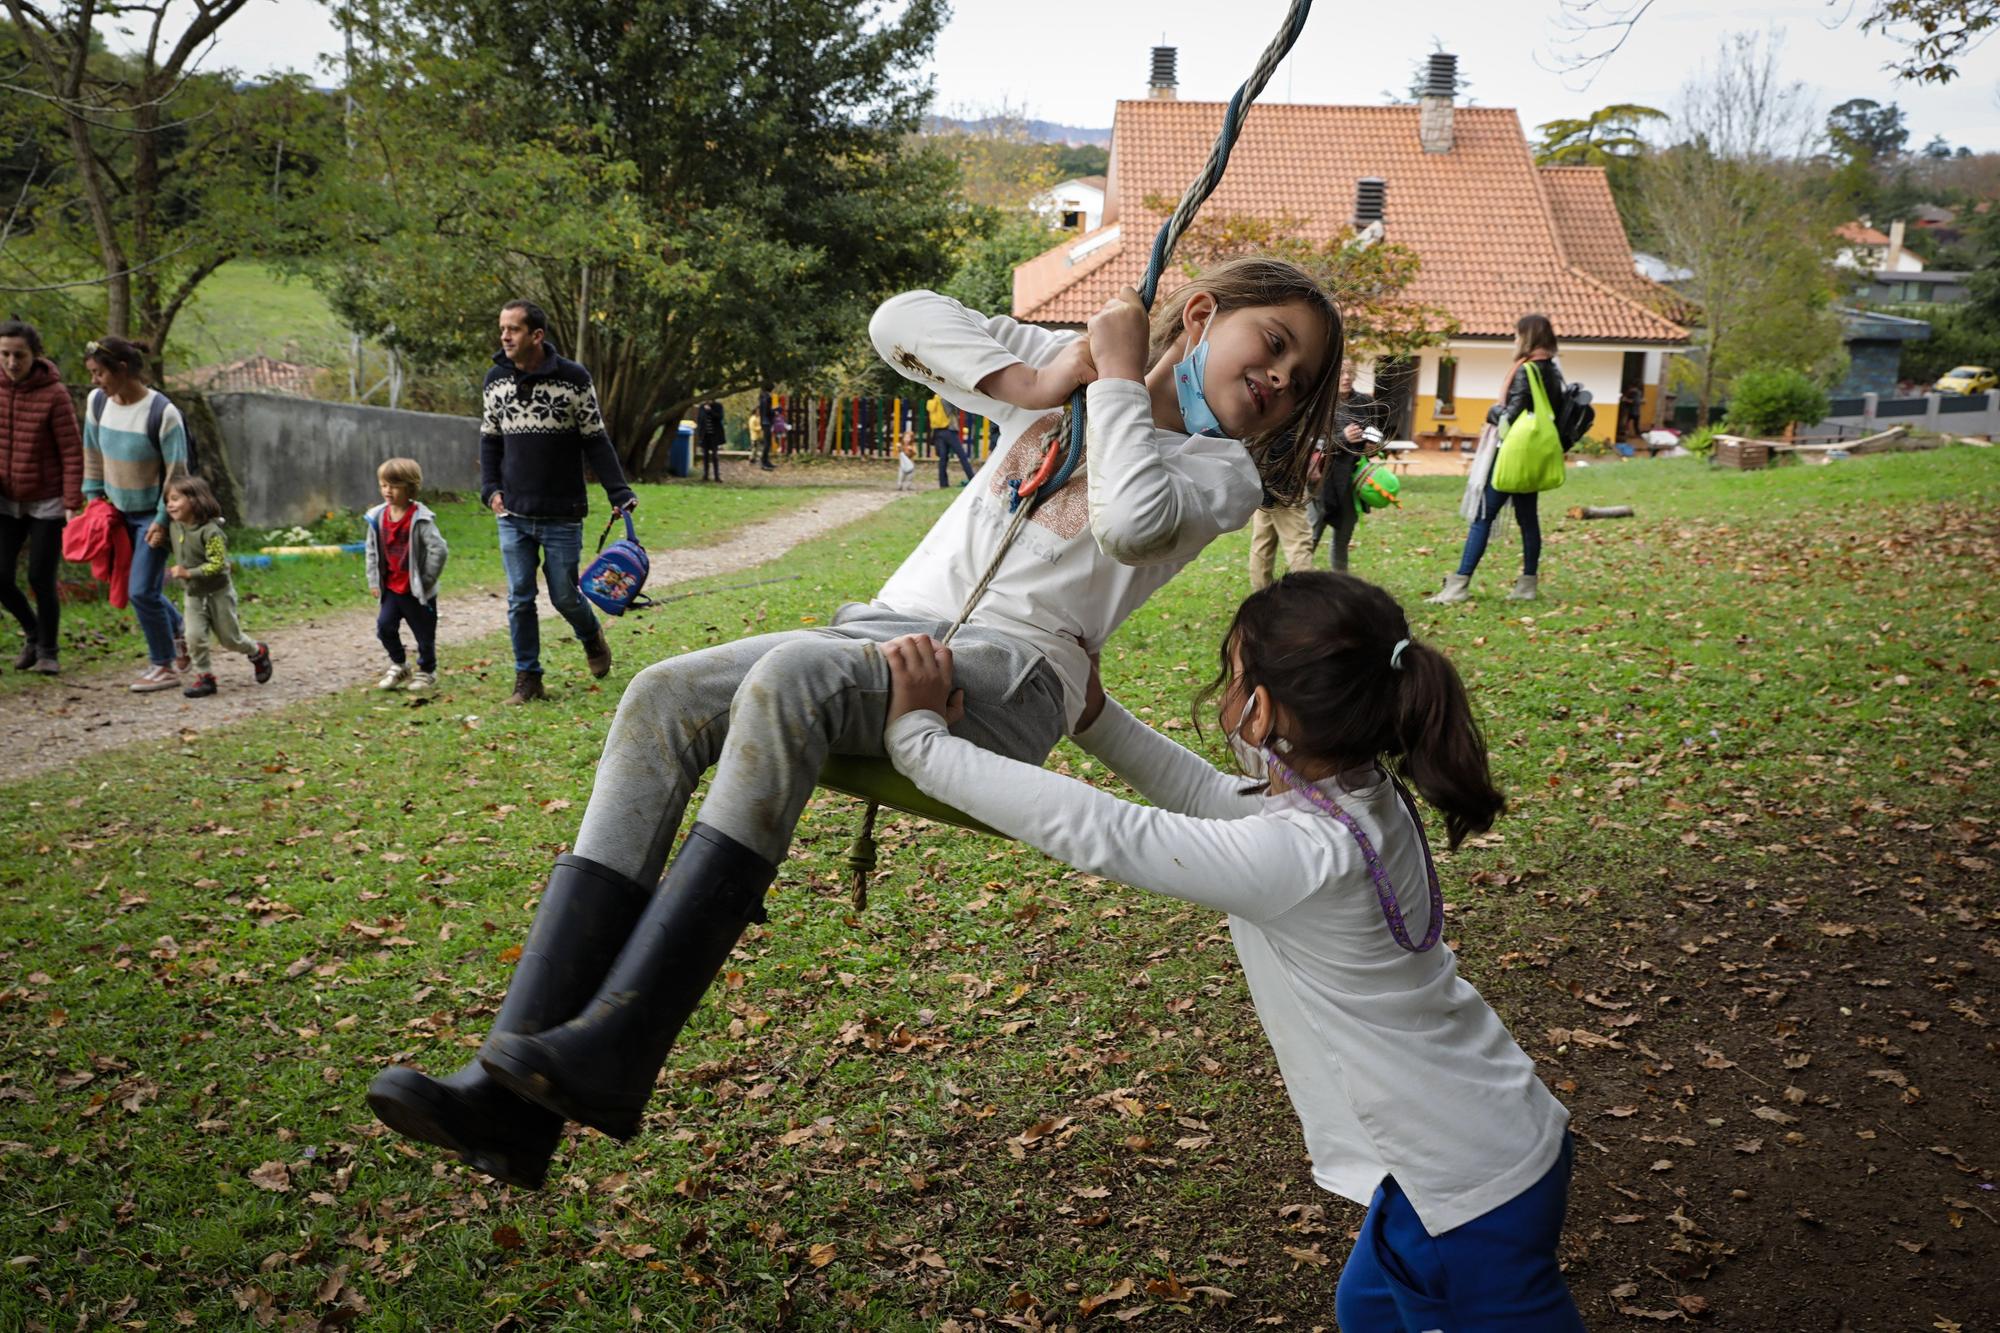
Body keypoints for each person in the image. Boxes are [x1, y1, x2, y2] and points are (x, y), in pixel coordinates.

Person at [366, 255, 1344, 1190]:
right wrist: (1048, 372)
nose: (1277, 377)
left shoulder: (1219, 473)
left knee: (794, 675)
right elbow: (896, 322)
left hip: (1008, 678)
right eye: (1271, 342)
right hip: (888, 630)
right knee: (659, 692)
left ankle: (618, 1046)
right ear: (1206, 315)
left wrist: (1120, 378)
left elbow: (1130, 519)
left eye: (1297, 379)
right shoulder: (1070, 370)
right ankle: (512, 1093)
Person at [878, 571, 1580, 1331]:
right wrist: (1098, 718)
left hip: (1463, 1191)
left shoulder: (1306, 853)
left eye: (1234, 674)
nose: (1224, 687)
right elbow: (1219, 799)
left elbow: (1107, 833)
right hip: (1482, 1135)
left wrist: (919, 743)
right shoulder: (1359, 794)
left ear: (1265, 710)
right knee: (1368, 1308)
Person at [481, 299, 636, 704]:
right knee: (519, 597)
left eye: (513, 329)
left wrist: (619, 493)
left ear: (536, 335)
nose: (504, 336)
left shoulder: (573, 379)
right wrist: (490, 489)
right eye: (502, 328)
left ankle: (591, 636)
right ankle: (528, 679)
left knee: (565, 594)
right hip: (512, 511)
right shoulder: (495, 380)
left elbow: (595, 440)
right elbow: (489, 441)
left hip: (562, 513)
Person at [80, 335, 192, 692]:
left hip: (153, 514)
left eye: (100, 373)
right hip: (115, 512)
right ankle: (180, 632)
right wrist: (93, 500)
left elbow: (177, 475)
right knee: (136, 588)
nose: (95, 381)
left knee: (141, 591)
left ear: (122, 370)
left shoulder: (163, 413)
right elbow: (92, 454)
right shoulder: (97, 403)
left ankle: (164, 665)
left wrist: (161, 521)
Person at [1429, 315, 1562, 604]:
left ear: (1527, 337)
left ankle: (1458, 585)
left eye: (1517, 334)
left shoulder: (1526, 370)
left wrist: (1492, 412)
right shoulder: (1552, 369)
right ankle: (1528, 583)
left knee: (1482, 516)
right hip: (1533, 455)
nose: (1514, 339)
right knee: (1528, 519)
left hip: (1510, 456)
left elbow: (1509, 415)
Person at [0, 319, 83, 674]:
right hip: (5, 498)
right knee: (0, 576)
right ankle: (33, 632)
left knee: (39, 576)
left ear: (35, 355)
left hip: (46, 500)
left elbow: (71, 451)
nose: (11, 362)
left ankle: (48, 650)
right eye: (4, 354)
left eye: (19, 355)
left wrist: (71, 503)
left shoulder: (55, 394)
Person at [163, 475, 271, 698]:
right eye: (167, 500)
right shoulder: (175, 527)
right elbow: (181, 549)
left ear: (195, 501)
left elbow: (219, 565)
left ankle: (257, 651)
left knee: (230, 639)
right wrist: (160, 541)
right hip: (193, 594)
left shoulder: (211, 532)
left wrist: (188, 573)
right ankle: (205, 677)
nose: (170, 504)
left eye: (175, 499)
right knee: (193, 636)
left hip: (218, 592)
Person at [366, 457, 449, 693]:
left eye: (394, 486)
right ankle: (400, 664)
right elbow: (371, 551)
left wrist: (426, 580)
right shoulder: (377, 517)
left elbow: (439, 549)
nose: (387, 491)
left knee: (424, 634)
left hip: (416, 591)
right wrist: (374, 580)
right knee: (384, 627)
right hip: (391, 587)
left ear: (409, 487)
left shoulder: (420, 518)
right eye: (383, 485)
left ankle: (427, 671)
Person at [1315, 360, 1380, 572]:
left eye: (1349, 373)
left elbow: (1374, 434)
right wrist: (1343, 438)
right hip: (1320, 481)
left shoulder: (1365, 402)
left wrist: (1372, 445)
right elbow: (1311, 445)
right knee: (1311, 536)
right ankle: (1298, 584)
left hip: (1350, 480)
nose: (1345, 378)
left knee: (1343, 537)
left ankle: (1340, 583)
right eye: (1341, 373)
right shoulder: (1320, 402)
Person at [927, 392, 975, 487]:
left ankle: (943, 484)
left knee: (943, 459)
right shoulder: (946, 399)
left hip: (938, 432)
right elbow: (955, 410)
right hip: (950, 431)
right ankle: (972, 479)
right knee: (962, 456)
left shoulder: (933, 401)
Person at [694, 399, 725, 483]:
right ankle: (705, 475)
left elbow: (720, 417)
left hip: (714, 435)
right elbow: (700, 420)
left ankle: (716, 476)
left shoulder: (718, 406)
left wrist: (710, 411)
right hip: (705, 435)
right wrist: (700, 436)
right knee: (705, 456)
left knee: (715, 456)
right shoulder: (701, 407)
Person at [755, 385, 777, 471]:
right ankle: (764, 461)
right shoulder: (768, 398)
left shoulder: (762, 397)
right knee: (767, 443)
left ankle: (766, 460)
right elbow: (768, 411)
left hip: (764, 421)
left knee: (767, 443)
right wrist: (774, 412)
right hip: (767, 421)